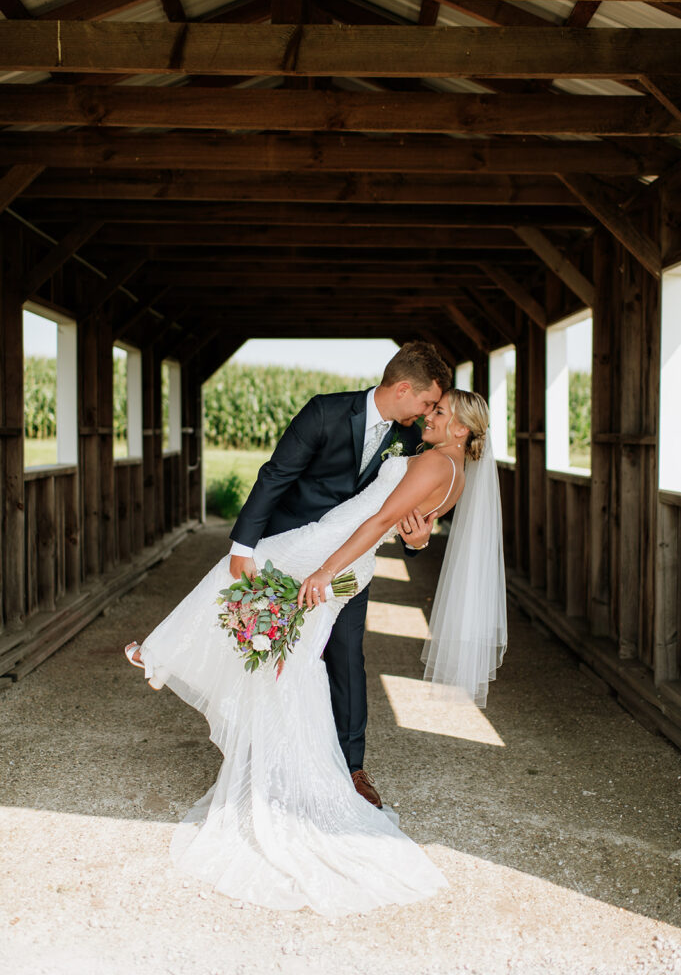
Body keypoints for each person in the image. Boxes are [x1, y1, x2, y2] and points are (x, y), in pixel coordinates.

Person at [124, 387, 507, 917]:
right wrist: (413, 543)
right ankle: (278, 763)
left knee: (240, 571)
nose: (429, 416)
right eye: (431, 408)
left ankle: (163, 656)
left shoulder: (433, 462)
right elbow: (413, 530)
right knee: (292, 660)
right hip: (351, 561)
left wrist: (325, 570)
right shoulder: (452, 472)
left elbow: (376, 522)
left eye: (440, 413)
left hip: (332, 552)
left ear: (462, 429)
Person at [227, 341, 452, 808]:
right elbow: (276, 476)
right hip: (297, 548)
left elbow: (405, 514)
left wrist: (418, 542)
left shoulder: (414, 440)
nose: (431, 413)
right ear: (405, 389)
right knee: (270, 645)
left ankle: (353, 768)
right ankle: (265, 753)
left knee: (346, 656)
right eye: (429, 402)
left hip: (351, 564)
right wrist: (243, 546)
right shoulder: (326, 413)